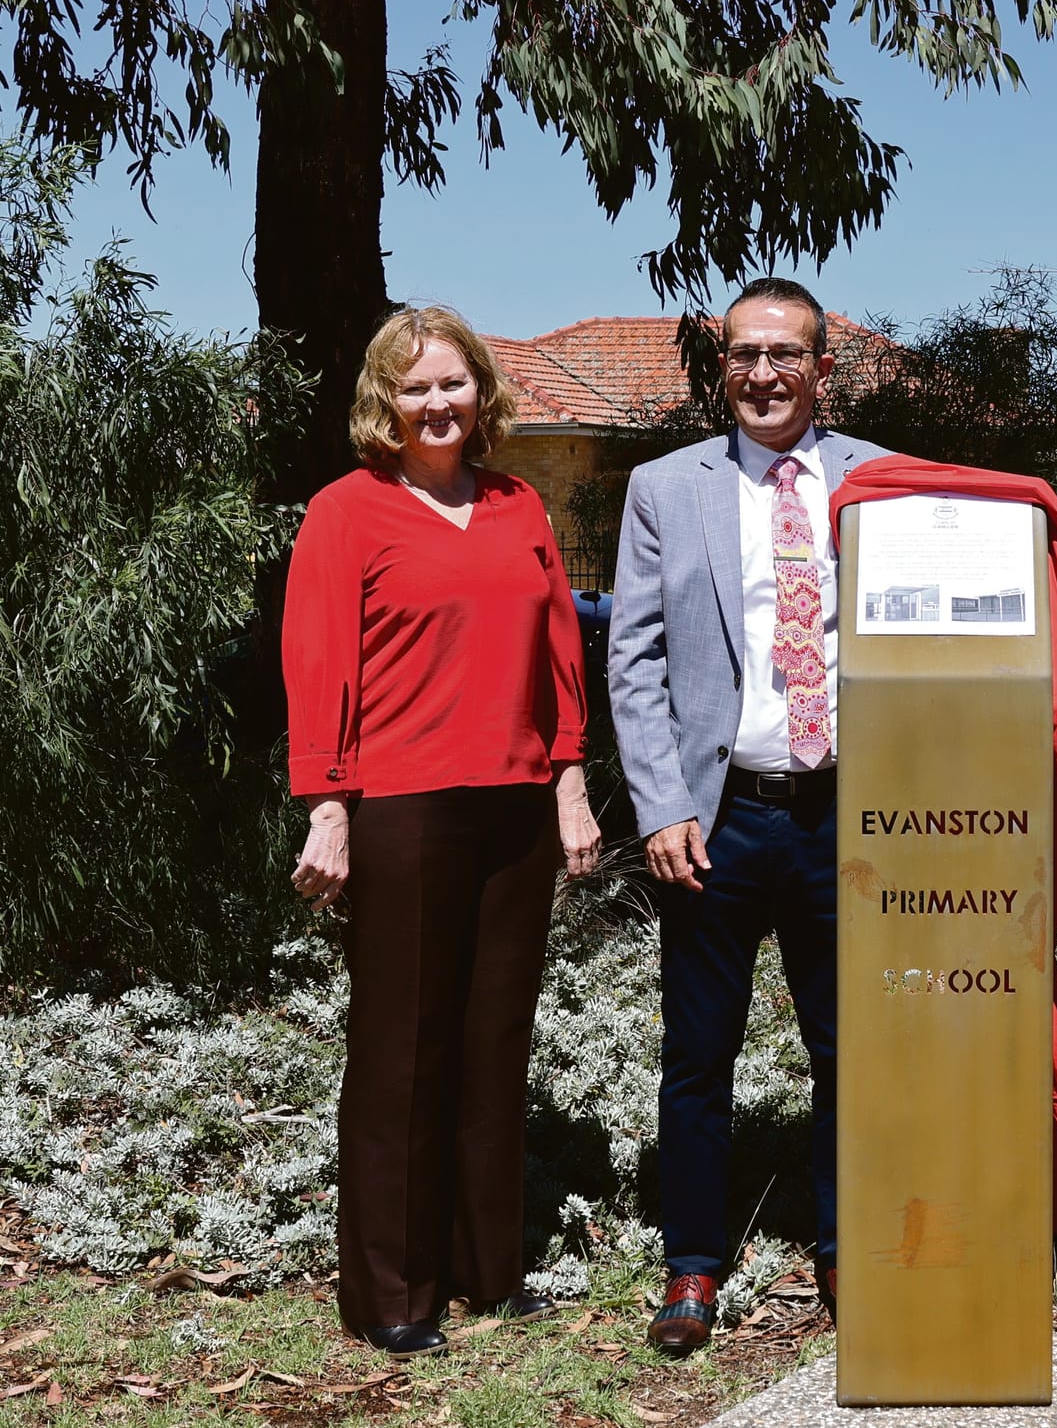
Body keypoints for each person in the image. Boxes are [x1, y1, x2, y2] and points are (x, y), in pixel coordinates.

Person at [284, 305, 602, 1360]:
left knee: (491, 1044)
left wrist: (568, 785)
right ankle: (392, 1290)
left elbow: (561, 654)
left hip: (513, 804)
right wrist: (328, 805)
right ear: (386, 400)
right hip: (402, 808)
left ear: (480, 394)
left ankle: (486, 1268)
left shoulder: (517, 506)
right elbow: (319, 659)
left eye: (453, 384)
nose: (436, 404)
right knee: (401, 1052)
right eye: (415, 387)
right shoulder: (347, 510)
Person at [607, 277, 891, 1356]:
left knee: (848, 1049)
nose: (762, 373)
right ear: (718, 366)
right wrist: (661, 802)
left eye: (784, 354)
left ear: (824, 367)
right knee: (698, 1053)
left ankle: (841, 1245)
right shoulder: (663, 490)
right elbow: (630, 660)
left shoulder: (881, 481)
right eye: (741, 354)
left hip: (844, 816)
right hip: (717, 819)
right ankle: (690, 1261)